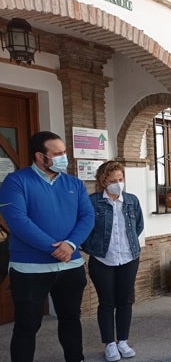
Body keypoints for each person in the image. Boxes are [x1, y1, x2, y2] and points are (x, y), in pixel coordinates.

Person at [0, 131, 95, 362]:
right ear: (40, 157)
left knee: (71, 319)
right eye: (58, 154)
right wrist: (54, 248)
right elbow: (19, 222)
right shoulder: (16, 182)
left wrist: (71, 244)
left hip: (70, 266)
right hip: (31, 269)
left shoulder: (74, 183)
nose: (64, 158)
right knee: (26, 325)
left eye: (65, 153)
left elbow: (87, 216)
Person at [81, 161, 144, 362]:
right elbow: (83, 229)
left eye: (120, 179)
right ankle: (109, 343)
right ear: (103, 181)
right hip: (102, 260)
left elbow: (138, 225)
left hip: (128, 258)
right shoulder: (92, 202)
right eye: (113, 180)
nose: (118, 184)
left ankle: (123, 341)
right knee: (106, 303)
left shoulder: (132, 200)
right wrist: (93, 248)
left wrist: (129, 244)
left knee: (125, 301)